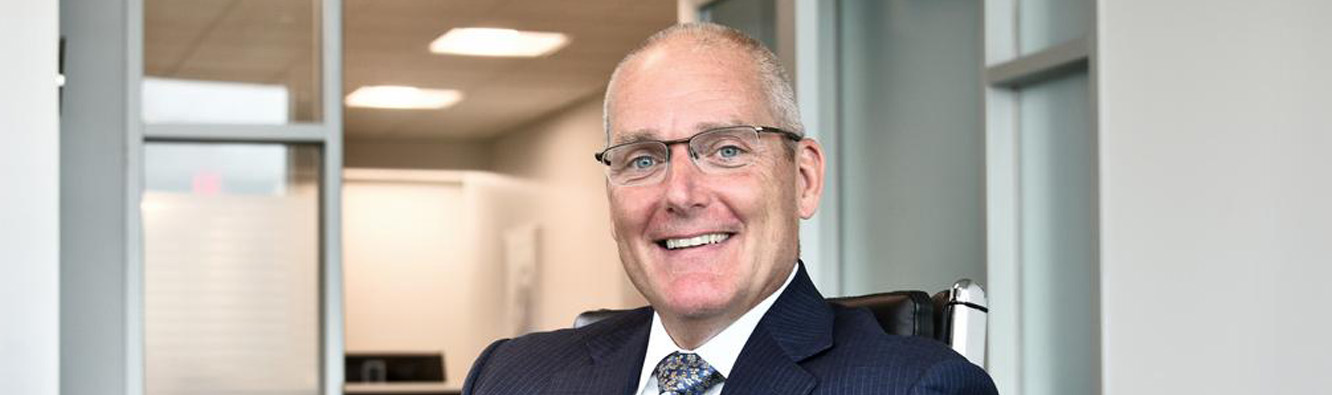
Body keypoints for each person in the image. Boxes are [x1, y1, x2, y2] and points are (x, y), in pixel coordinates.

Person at [462, 22, 998, 395]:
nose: (680, 193)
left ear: (803, 180)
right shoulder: (509, 376)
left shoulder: (914, 387)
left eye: (727, 150)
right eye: (644, 159)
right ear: (612, 198)